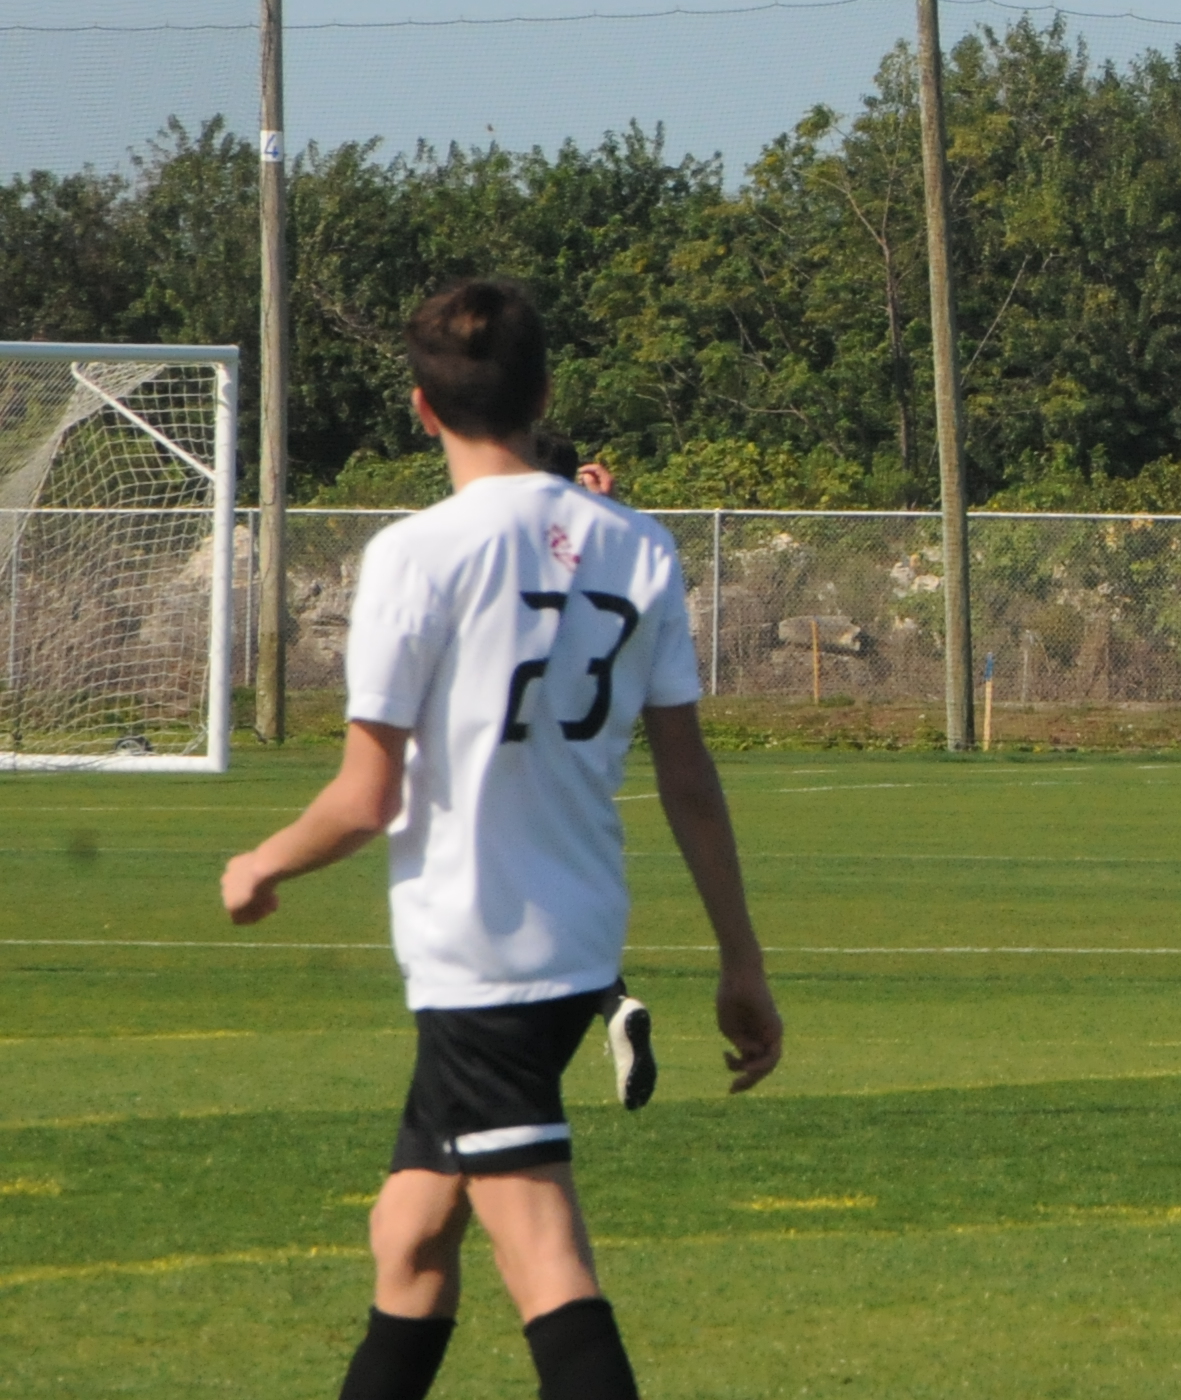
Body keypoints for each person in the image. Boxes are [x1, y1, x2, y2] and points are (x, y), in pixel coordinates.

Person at [221, 281, 781, 1400]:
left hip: (480, 953)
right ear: (545, 392)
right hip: (576, 938)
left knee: (541, 1251)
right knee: (410, 1236)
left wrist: (262, 860)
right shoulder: (641, 546)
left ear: (421, 408)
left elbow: (366, 797)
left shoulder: (416, 554)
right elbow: (687, 777)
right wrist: (740, 956)